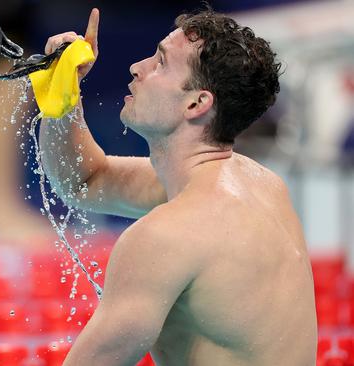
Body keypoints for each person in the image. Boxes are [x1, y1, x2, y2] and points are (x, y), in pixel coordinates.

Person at [39, 7, 317, 365]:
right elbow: (84, 180)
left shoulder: (165, 238)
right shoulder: (262, 185)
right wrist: (62, 98)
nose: (137, 67)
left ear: (197, 103)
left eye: (160, 63)